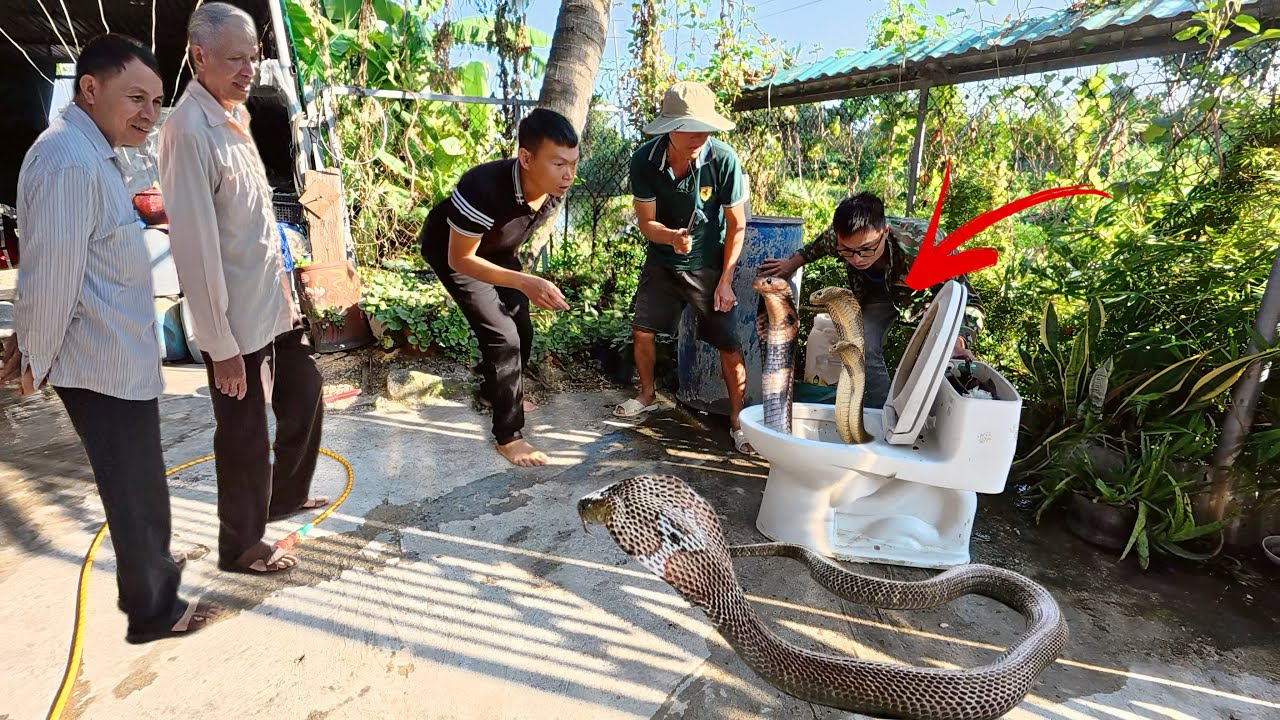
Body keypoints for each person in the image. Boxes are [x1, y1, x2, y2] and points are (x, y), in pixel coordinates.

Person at [2, 33, 222, 643]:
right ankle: (153, 611)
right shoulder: (69, 159)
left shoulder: (90, 152)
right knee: (132, 489)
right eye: (135, 98)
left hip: (116, 358)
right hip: (98, 364)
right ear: (90, 90)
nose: (148, 115)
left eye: (156, 101)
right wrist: (34, 358)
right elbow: (49, 276)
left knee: (142, 481)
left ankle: (154, 572)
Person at [158, 2, 326, 574]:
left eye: (252, 58)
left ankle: (287, 498)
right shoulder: (187, 131)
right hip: (232, 321)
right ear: (199, 56)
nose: (248, 70)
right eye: (234, 59)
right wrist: (219, 344)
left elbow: (251, 226)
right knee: (244, 437)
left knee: (304, 393)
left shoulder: (236, 116)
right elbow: (196, 249)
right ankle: (242, 546)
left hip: (271, 306)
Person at [418, 108, 579, 468]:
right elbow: (462, 260)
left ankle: (495, 393)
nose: (568, 174)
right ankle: (509, 436)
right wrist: (524, 280)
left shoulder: (553, 189)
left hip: (497, 251)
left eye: (573, 162)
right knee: (503, 336)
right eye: (558, 163)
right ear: (525, 157)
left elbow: (513, 230)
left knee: (522, 325)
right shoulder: (482, 187)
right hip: (453, 252)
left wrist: (515, 281)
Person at [615, 81, 752, 454]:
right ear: (669, 129)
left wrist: (726, 281)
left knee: (729, 344)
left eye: (704, 127)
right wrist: (670, 238)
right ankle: (647, 396)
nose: (699, 135)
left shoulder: (723, 160)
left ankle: (739, 424)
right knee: (642, 330)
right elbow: (646, 223)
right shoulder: (645, 160)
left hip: (709, 266)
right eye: (688, 128)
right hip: (661, 261)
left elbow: (737, 225)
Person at [759, 192, 986, 409]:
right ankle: (881, 411)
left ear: (885, 232)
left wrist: (959, 341)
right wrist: (790, 265)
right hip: (878, 298)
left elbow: (970, 302)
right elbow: (815, 248)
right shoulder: (839, 239)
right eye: (847, 252)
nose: (857, 259)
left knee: (932, 355)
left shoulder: (928, 246)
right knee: (862, 342)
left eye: (866, 249)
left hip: (926, 299)